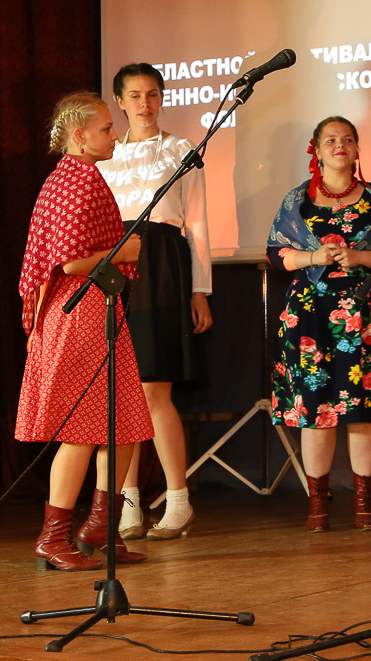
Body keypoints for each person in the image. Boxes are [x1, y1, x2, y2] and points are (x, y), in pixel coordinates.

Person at [17, 93, 152, 571]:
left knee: (125, 422)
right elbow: (72, 263)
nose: (114, 136)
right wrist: (124, 252)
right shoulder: (77, 180)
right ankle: (53, 537)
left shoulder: (73, 176)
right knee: (83, 429)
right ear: (79, 135)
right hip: (80, 314)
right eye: (106, 129)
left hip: (95, 311)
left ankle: (101, 527)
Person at [267, 116, 371, 532]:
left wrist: (361, 257)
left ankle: (365, 507)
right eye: (330, 140)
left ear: (357, 149)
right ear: (316, 149)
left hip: (365, 317)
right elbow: (275, 253)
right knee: (316, 412)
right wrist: (313, 257)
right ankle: (318, 507)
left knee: (363, 411)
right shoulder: (297, 200)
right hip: (309, 318)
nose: (340, 145)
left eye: (347, 139)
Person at [96, 63, 211, 542]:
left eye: (152, 94)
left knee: (152, 390)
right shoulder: (105, 155)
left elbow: (197, 224)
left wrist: (200, 290)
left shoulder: (181, 150)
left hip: (162, 264)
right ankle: (127, 504)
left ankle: (178, 500)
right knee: (117, 393)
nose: (145, 104)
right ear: (119, 102)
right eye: (135, 95)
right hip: (113, 266)